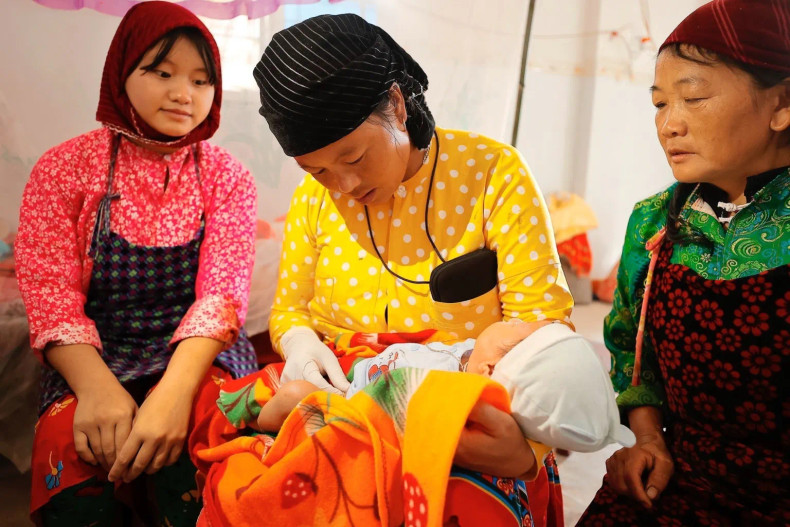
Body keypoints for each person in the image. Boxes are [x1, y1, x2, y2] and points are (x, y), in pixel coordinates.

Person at [252, 13, 590, 525]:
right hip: (343, 399)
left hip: (462, 407)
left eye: (355, 156)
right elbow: (290, 310)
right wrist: (300, 344)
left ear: (395, 104)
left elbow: (544, 329)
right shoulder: (313, 200)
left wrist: (528, 450)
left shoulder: (491, 175)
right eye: (317, 170)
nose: (341, 185)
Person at [15, 2, 258, 525]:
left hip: (199, 360)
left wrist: (173, 396)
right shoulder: (62, 168)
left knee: (204, 478)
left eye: (201, 80)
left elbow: (220, 297)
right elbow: (50, 293)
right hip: (94, 358)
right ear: (121, 73)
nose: (182, 94)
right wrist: (99, 390)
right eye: (162, 72)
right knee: (77, 487)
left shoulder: (227, 177)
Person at [578, 1, 790, 525]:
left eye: (693, 97)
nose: (669, 125)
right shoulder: (655, 223)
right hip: (678, 476)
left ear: (782, 104)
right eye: (658, 103)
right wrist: (648, 440)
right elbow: (632, 350)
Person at [254, 319, 551, 431]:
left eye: (515, 326)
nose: (514, 319)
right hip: (358, 358)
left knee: (294, 394)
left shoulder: (444, 384)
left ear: (489, 369)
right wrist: (297, 337)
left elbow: (387, 411)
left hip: (354, 403)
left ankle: (263, 426)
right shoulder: (472, 351)